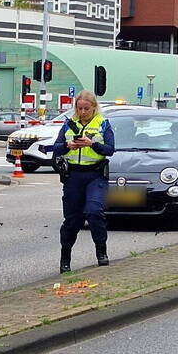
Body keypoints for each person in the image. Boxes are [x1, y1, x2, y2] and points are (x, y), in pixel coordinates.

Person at [51, 91, 115, 273]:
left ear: (94, 107)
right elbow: (55, 148)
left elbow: (110, 149)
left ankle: (101, 252)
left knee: (94, 211)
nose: (83, 112)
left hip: (95, 175)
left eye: (86, 108)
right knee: (73, 220)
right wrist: (67, 146)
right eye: (79, 108)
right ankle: (65, 257)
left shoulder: (102, 123)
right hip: (74, 176)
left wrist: (91, 144)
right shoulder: (68, 125)